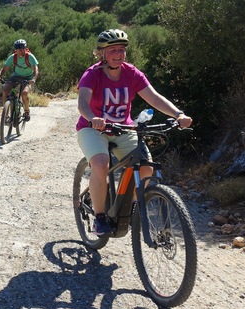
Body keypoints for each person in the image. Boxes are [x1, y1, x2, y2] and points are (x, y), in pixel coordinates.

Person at [76, 28, 193, 235]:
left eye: (122, 49)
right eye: (113, 50)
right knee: (101, 163)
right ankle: (99, 216)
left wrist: (178, 114)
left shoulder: (131, 73)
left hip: (124, 128)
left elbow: (155, 98)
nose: (119, 54)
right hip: (93, 128)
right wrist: (92, 118)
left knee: (146, 167)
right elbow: (82, 103)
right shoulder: (92, 74)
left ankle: (125, 207)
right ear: (102, 53)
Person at [0, 39, 39, 121]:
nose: (20, 51)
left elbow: (35, 69)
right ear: (16, 50)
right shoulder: (13, 57)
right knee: (5, 91)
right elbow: (4, 68)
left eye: (22, 49)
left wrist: (33, 79)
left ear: (25, 48)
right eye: (19, 50)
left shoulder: (30, 57)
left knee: (24, 93)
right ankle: (6, 115)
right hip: (15, 76)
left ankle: (26, 111)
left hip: (27, 78)